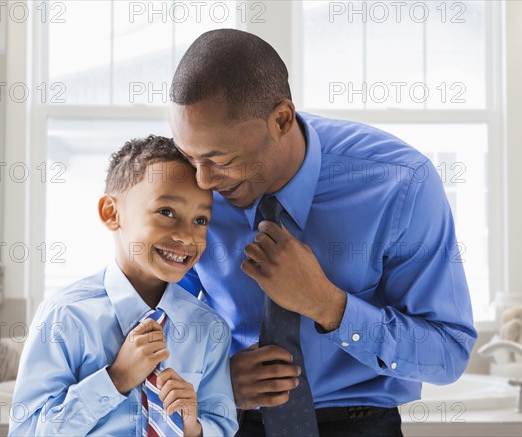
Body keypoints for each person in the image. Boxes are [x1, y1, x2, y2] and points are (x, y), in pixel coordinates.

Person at [169, 29, 477, 436]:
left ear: (281, 119)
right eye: (190, 157)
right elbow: (152, 323)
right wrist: (215, 378)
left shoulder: (399, 183)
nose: (203, 182)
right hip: (228, 417)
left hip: (360, 424)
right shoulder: (185, 184)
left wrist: (329, 306)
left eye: (219, 160)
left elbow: (448, 352)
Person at [9, 135, 238, 436]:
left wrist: (193, 427)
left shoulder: (209, 329)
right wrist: (115, 379)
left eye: (200, 220)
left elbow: (222, 425)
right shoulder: (65, 317)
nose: (186, 236)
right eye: (167, 212)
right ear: (111, 213)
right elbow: (27, 431)